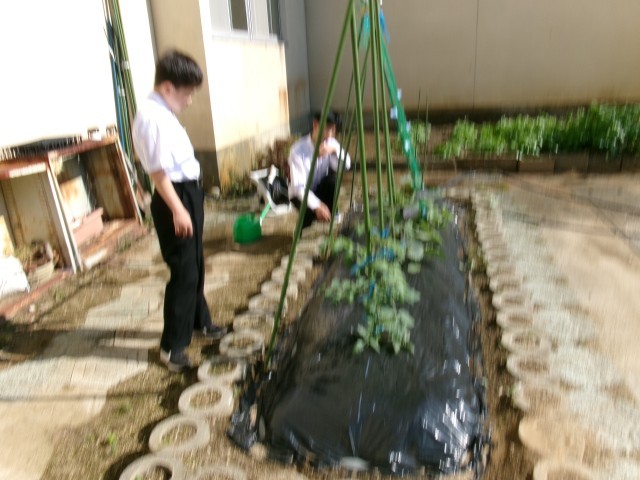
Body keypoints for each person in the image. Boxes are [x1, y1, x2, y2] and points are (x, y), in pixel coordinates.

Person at [132, 50, 225, 373]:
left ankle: (200, 322)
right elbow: (157, 173)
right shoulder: (151, 117)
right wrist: (178, 209)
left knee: (195, 263)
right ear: (168, 87)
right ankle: (172, 347)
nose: (190, 100)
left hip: (187, 193)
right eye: (187, 93)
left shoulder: (163, 111)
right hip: (174, 198)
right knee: (184, 272)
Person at [288, 111, 351, 228]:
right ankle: (304, 226)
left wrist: (335, 151)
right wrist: (317, 205)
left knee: (332, 180)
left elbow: (346, 165)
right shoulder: (298, 150)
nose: (330, 134)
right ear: (316, 125)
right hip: (300, 194)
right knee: (308, 214)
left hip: (319, 188)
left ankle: (330, 213)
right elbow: (299, 187)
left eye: (333, 130)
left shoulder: (330, 143)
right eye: (328, 129)